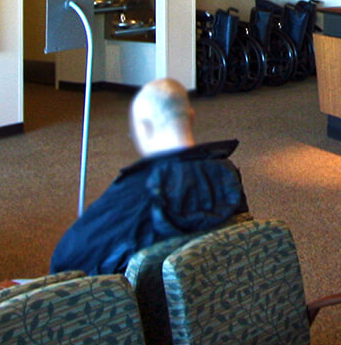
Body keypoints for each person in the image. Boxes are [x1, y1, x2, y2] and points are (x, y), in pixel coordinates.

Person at [50, 78, 249, 275]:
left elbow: (65, 262)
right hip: (212, 286)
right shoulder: (226, 172)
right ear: (191, 117)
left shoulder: (134, 190)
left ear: (144, 128)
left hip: (144, 294)